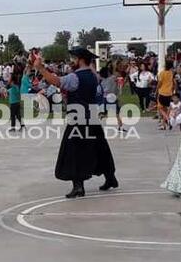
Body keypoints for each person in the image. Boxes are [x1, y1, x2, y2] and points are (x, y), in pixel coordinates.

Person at [33, 48, 118, 198]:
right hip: (92, 118)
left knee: (74, 152)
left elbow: (57, 81)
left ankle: (78, 186)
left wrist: (40, 68)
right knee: (99, 148)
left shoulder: (75, 77)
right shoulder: (93, 76)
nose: (72, 61)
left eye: (74, 59)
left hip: (77, 120)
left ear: (80, 60)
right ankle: (110, 178)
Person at [156, 60, 175, 130]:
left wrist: (156, 90)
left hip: (162, 92)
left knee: (160, 108)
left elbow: (160, 83)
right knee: (166, 109)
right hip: (169, 93)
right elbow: (173, 83)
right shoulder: (171, 73)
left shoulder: (162, 73)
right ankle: (163, 125)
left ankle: (168, 119)